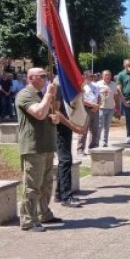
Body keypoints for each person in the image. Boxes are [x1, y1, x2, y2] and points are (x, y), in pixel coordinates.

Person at [15, 68, 62, 232]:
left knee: (47, 184)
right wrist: (49, 95)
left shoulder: (41, 95)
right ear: (31, 78)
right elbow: (39, 114)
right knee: (32, 186)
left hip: (47, 145)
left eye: (46, 76)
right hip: (33, 147)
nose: (45, 79)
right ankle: (28, 220)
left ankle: (44, 213)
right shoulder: (25, 95)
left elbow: (48, 116)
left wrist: (55, 119)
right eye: (42, 76)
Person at [52, 78, 85, 208]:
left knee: (65, 160)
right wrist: (73, 126)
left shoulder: (64, 85)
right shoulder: (58, 86)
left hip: (65, 128)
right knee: (65, 160)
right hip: (59, 129)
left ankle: (60, 193)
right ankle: (66, 196)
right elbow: (56, 111)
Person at [76, 71, 101, 155]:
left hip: (95, 109)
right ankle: (80, 149)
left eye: (92, 76)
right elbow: (81, 99)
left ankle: (93, 147)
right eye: (89, 76)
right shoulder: (82, 86)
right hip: (85, 109)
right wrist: (92, 105)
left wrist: (97, 106)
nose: (91, 78)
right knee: (84, 129)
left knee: (95, 129)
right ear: (84, 77)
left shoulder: (95, 85)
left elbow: (99, 96)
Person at [95, 70, 117, 147]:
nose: (108, 76)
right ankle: (96, 142)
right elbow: (95, 95)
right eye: (106, 75)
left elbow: (115, 96)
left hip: (110, 108)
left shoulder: (114, 84)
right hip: (101, 108)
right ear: (102, 76)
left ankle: (105, 142)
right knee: (99, 126)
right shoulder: (98, 84)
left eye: (109, 75)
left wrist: (116, 106)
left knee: (107, 126)